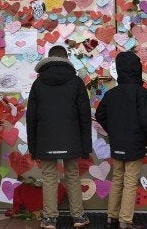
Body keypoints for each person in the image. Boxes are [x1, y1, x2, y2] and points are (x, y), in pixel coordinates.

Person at [26, 45, 92, 228]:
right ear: (66, 59)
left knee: (49, 177)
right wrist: (86, 146)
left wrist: (33, 147)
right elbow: (84, 116)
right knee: (72, 175)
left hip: (46, 138)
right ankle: (78, 217)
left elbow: (31, 117)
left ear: (49, 59)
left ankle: (49, 219)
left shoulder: (38, 83)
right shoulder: (76, 82)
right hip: (72, 138)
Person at [95, 51, 147, 229]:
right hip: (136, 143)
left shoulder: (111, 94)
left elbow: (100, 114)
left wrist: (113, 130)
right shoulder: (142, 93)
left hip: (117, 142)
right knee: (130, 180)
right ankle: (125, 220)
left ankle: (111, 216)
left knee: (117, 178)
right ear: (137, 69)